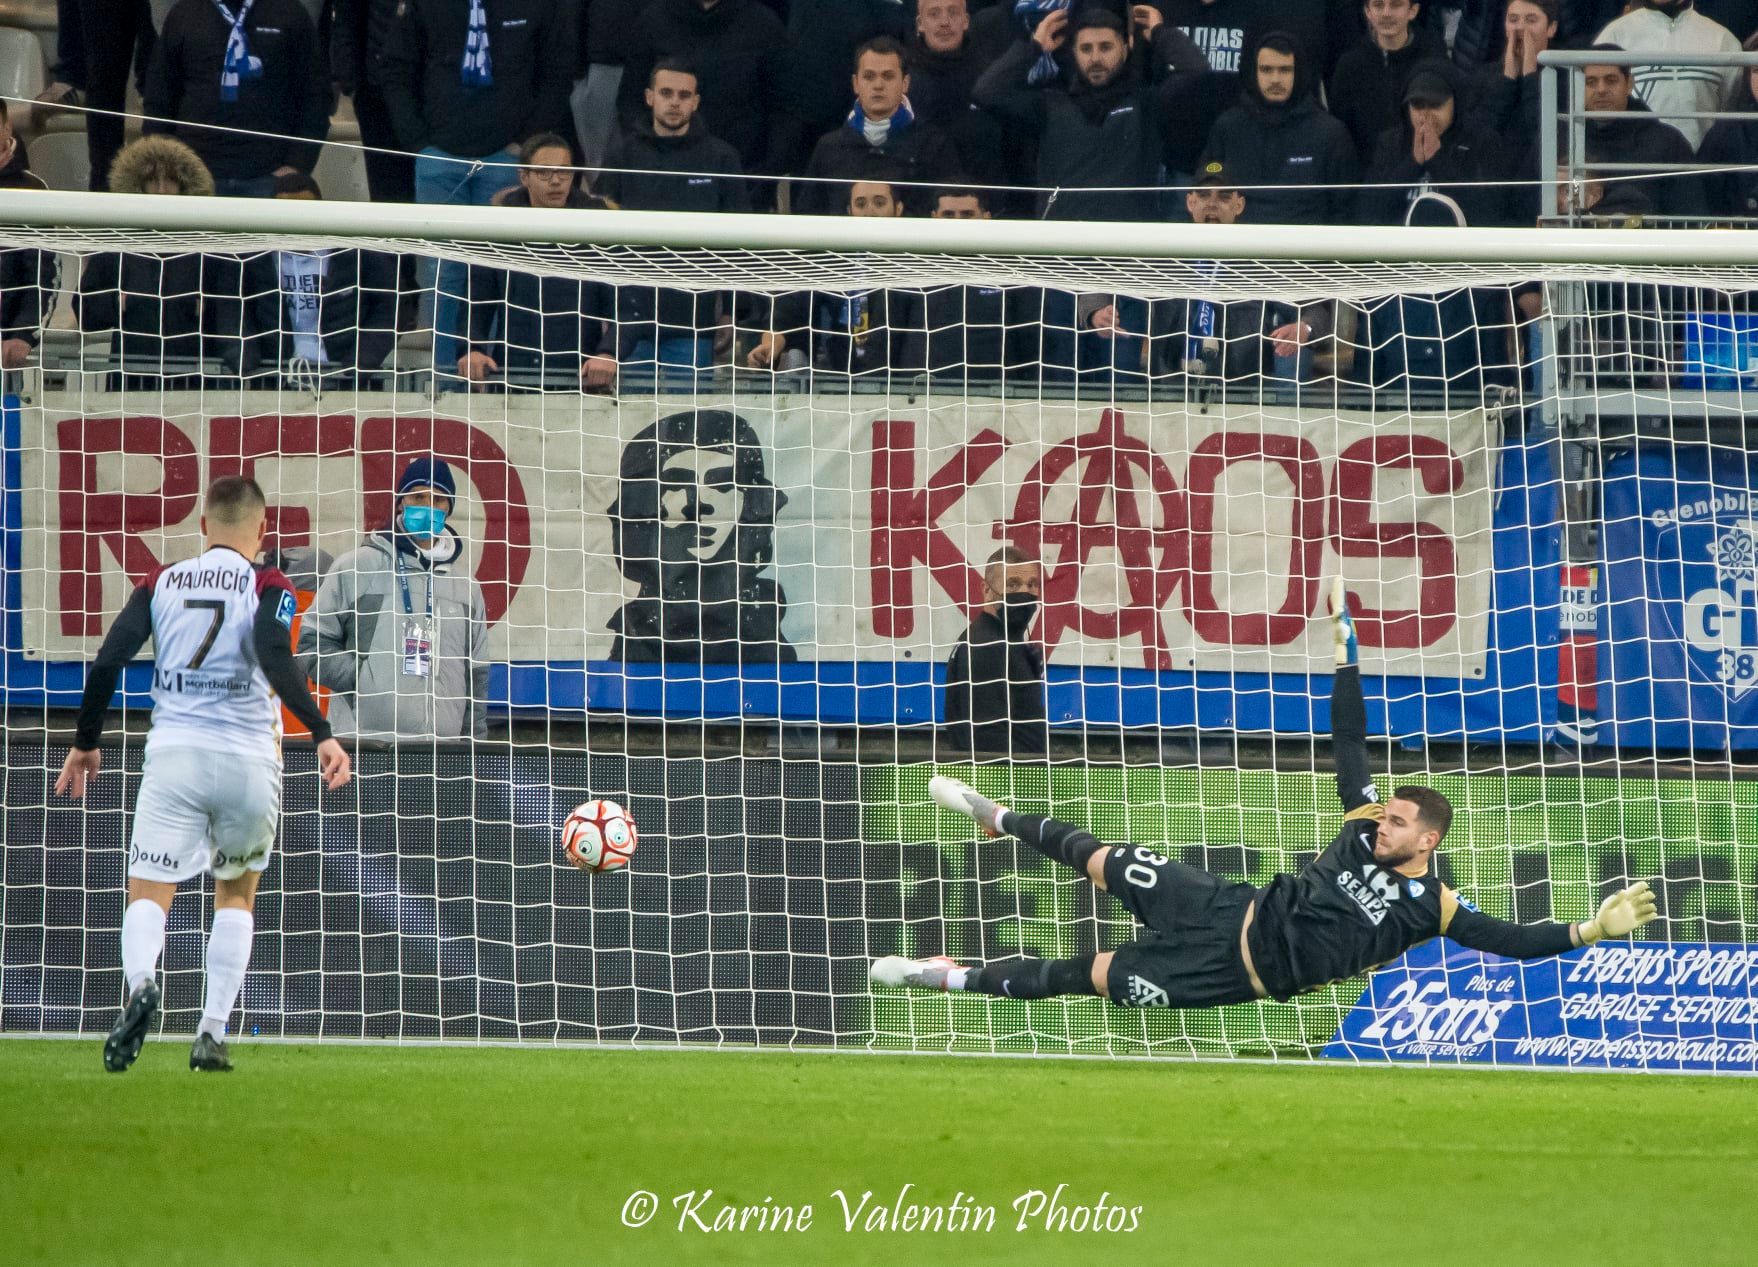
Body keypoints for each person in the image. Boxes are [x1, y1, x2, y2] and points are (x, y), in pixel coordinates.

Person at [874, 578, 1660, 1007]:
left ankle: (942, 974)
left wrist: (1590, 927)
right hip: (1221, 904)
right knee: (1104, 857)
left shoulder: (1437, 908)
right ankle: (996, 815)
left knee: (1079, 976)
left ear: (1429, 840)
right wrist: (1346, 654)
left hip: (1230, 977)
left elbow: (1514, 941)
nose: (1381, 822)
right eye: (1384, 813)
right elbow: (1349, 743)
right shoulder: (1357, 824)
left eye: (1396, 821)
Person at [55, 475, 352, 1073]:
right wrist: (321, 732)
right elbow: (273, 651)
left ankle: (142, 985)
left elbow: (110, 657)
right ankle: (211, 1033)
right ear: (262, 529)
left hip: (175, 756)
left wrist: (86, 741)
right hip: (248, 760)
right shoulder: (270, 582)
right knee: (237, 893)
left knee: (148, 889)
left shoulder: (161, 580)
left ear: (202, 527)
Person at [380, 0, 577, 374]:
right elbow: (395, 68)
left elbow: (557, 71)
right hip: (440, 158)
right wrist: (419, 143)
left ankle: (497, 378)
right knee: (442, 274)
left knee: (505, 273)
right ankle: (444, 379)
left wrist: (524, 146)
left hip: (507, 158)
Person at [298, 457, 490, 741]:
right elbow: (310, 645)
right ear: (401, 501)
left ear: (449, 508)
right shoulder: (357, 567)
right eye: (418, 496)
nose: (428, 506)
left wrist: (474, 748)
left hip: (442, 753)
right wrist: (362, 680)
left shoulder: (466, 588)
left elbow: (477, 677)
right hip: (364, 745)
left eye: (438, 499)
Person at [973, 5, 1208, 222]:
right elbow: (986, 92)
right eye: (1086, 49)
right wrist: (1033, 46)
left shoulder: (1148, 105)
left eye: (1106, 47)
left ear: (1126, 48)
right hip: (1060, 252)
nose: (1095, 58)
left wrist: (1160, 33)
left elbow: (1198, 75)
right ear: (1074, 52)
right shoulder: (1048, 105)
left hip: (1131, 254)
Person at [596, 59, 748, 381]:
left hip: (694, 318)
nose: (675, 102)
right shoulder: (622, 156)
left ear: (695, 102)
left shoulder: (722, 158)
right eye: (666, 93)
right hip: (629, 322)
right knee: (630, 422)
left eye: (683, 95)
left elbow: (739, 245)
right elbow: (602, 243)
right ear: (650, 97)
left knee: (690, 424)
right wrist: (603, 310)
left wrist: (732, 312)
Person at [607, 408, 796, 664]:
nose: (699, 504)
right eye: (676, 484)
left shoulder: (763, 633)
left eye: (721, 485)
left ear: (750, 500)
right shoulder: (635, 639)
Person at [458, 135, 618, 391]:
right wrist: (472, 349)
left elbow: (626, 306)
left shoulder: (600, 228)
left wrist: (609, 352)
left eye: (563, 172)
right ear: (524, 177)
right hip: (511, 377)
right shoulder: (497, 230)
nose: (555, 181)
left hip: (582, 379)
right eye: (544, 172)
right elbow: (476, 301)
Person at [1149, 161, 1330, 382]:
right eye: (1204, 196)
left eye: (1224, 197)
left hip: (1242, 389)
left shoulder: (1262, 260)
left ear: (1239, 205)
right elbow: (1111, 276)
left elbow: (1317, 311)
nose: (1213, 204)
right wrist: (1095, 310)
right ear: (1190, 202)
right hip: (1172, 386)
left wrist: (1304, 328)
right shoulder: (1162, 254)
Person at [615, 0, 802, 204]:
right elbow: (631, 102)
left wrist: (763, 178)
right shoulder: (653, 20)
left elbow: (785, 109)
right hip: (659, 181)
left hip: (744, 181)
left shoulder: (763, 25)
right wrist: (646, 161)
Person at [142, 0, 330, 198]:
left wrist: (297, 164)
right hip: (193, 178)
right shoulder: (182, 15)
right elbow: (159, 98)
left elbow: (315, 96)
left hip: (270, 177)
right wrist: (165, 165)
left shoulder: (291, 14)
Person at [75, 136, 224, 384]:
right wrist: (117, 303)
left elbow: (228, 312)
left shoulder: (206, 247)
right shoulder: (117, 243)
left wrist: (205, 309)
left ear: (185, 185)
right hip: (130, 377)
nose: (162, 189)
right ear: (138, 185)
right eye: (154, 181)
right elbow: (84, 312)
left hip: (194, 379)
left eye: (171, 181)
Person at [226, 172, 400, 383]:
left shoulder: (356, 253)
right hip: (272, 373)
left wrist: (360, 363)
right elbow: (232, 310)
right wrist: (245, 363)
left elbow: (389, 307)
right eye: (287, 213)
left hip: (342, 376)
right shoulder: (252, 258)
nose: (297, 220)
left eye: (305, 211)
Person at [1198, 30, 1359, 225]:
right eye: (1266, 69)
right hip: (1238, 250)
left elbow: (1344, 210)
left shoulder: (1331, 133)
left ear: (1298, 72)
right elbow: (1204, 195)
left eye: (1285, 70)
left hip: (1308, 251)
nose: (1275, 79)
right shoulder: (1227, 127)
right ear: (1253, 71)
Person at [795, 35, 964, 216]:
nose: (878, 85)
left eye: (888, 76)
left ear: (905, 83)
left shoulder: (935, 145)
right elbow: (808, 216)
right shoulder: (828, 147)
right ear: (855, 84)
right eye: (869, 77)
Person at [1360, 61, 1512, 227]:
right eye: (1418, 106)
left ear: (1454, 103)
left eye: (1435, 105)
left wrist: (1437, 161)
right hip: (1400, 246)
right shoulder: (1391, 143)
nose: (1425, 115)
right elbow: (1369, 211)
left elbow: (1489, 213)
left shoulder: (1481, 141)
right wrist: (1412, 163)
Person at [940, 546, 1047, 759]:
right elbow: (987, 740)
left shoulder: (1005, 641)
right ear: (987, 590)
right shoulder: (986, 646)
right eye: (1013, 584)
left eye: (1032, 584)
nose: (1024, 592)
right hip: (1003, 784)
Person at [1576, 46, 1706, 216]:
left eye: (1611, 80)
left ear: (1629, 83)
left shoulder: (1668, 142)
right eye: (1590, 82)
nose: (1600, 90)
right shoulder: (1562, 138)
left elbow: (1691, 214)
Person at [1598, 0, 1740, 149]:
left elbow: (1732, 109)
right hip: (1635, 164)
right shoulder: (1614, 35)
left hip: (1704, 164)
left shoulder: (1723, 40)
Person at [1464, 0, 1559, 208]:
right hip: (1490, 191)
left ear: (1551, 28)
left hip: (1537, 191)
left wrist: (1530, 76)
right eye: (1513, 19)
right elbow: (1481, 134)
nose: (1520, 28)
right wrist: (1507, 80)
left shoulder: (1563, 76)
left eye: (1531, 20)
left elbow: (1542, 133)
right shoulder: (1482, 76)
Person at [1327, 0, 1446, 164]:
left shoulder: (1434, 57)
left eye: (1396, 5)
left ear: (1413, 11)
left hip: (1425, 165)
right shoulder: (1349, 65)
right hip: (1367, 171)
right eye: (1378, 5)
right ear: (1367, 12)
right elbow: (1342, 129)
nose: (1386, 13)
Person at [0, 101, 56, 372]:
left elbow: (43, 273)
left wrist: (23, 333)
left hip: (4, 347)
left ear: (6, 126)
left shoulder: (31, 190)